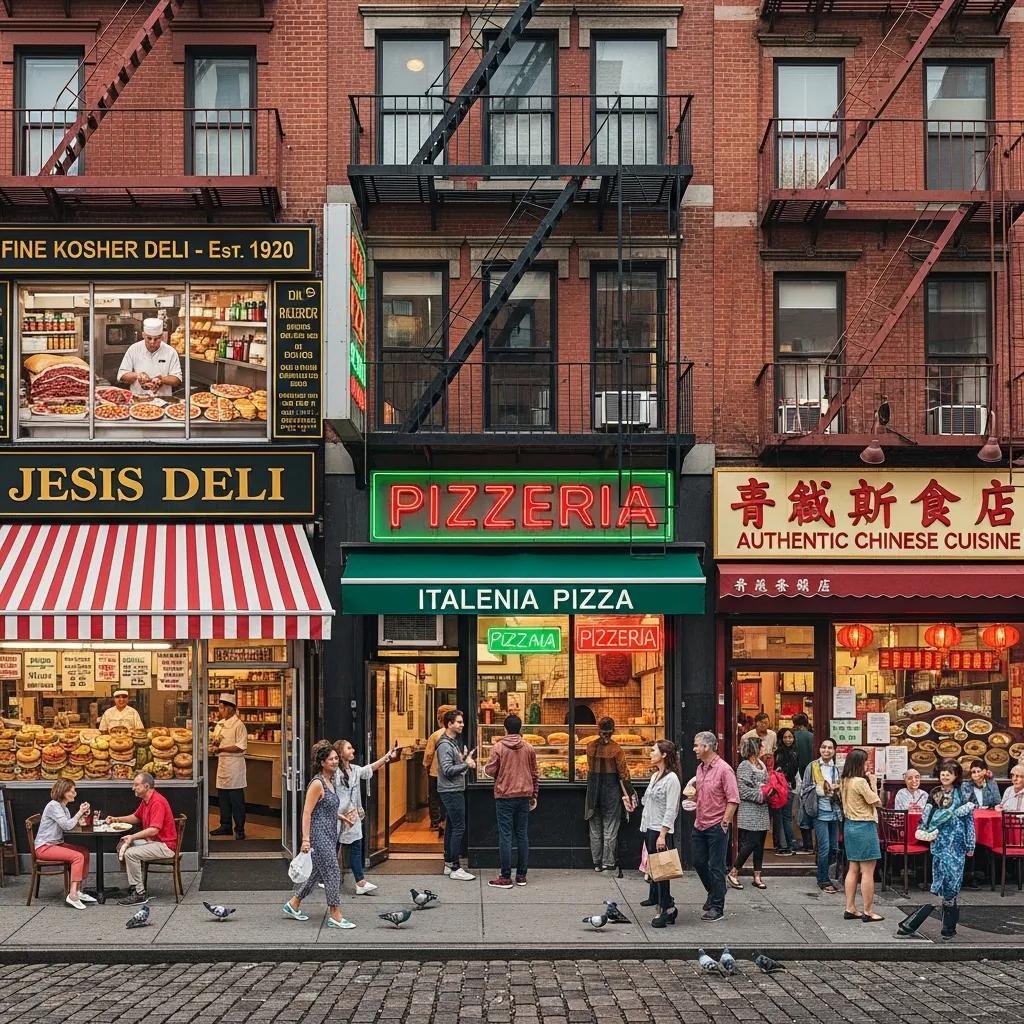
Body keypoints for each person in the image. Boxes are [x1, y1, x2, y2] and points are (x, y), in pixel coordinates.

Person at [284, 741, 354, 929]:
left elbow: (325, 808)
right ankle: (335, 914)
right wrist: (306, 839)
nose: (335, 761)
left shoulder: (330, 781)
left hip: (330, 833)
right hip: (318, 835)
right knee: (333, 872)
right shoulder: (317, 783)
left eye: (336, 758)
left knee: (315, 872)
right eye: (331, 759)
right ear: (322, 762)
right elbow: (307, 812)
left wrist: (341, 817)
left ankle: (293, 903)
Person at [334, 738, 400, 895]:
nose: (353, 750)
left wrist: (387, 756)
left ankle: (360, 882)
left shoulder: (355, 770)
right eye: (349, 748)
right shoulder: (334, 773)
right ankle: (327, 878)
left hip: (353, 816)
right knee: (333, 847)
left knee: (355, 846)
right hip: (338, 815)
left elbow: (370, 768)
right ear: (340, 753)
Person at [920, 760, 975, 939]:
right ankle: (947, 921)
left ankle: (949, 925)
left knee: (953, 880)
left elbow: (969, 821)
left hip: (957, 843)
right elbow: (927, 815)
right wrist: (924, 830)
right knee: (941, 878)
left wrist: (970, 844)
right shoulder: (935, 792)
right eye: (942, 772)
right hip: (939, 842)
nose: (945, 775)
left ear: (956, 775)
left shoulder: (963, 793)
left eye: (949, 772)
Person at [484, 714, 539, 888]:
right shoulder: (529, 747)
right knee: (522, 834)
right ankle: (521, 875)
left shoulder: (498, 747)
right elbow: (535, 773)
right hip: (524, 796)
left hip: (505, 796)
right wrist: (534, 794)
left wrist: (487, 768)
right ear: (520, 728)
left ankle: (505, 877)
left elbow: (490, 771)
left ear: (505, 729)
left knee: (505, 835)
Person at [108, 771, 178, 906]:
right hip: (154, 842)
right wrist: (116, 819)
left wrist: (132, 837)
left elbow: (154, 829)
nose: (133, 788)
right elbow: (136, 817)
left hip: (165, 846)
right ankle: (134, 885)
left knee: (130, 853)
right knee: (123, 844)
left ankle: (139, 893)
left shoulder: (157, 802)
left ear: (146, 786)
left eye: (136, 785)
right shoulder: (146, 800)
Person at [691, 730, 739, 922]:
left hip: (716, 824)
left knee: (716, 866)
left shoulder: (724, 769)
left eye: (697, 745)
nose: (694, 749)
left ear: (707, 747)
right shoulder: (700, 768)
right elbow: (700, 794)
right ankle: (715, 891)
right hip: (700, 823)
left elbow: (733, 799)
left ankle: (717, 907)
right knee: (698, 861)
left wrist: (724, 823)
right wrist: (693, 800)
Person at [34, 779, 95, 910]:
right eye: (72, 791)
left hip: (55, 844)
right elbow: (67, 826)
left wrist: (81, 816)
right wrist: (79, 813)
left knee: (84, 851)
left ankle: (77, 890)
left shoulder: (63, 808)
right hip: (44, 847)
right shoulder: (53, 806)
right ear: (63, 792)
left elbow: (69, 826)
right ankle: (72, 895)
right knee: (78, 857)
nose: (75, 794)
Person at [639, 740, 682, 927]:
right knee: (656, 871)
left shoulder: (672, 779)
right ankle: (665, 905)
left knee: (662, 872)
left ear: (664, 754)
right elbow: (648, 802)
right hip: (650, 828)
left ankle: (666, 909)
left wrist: (663, 834)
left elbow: (672, 809)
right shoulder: (655, 776)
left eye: (653, 750)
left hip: (660, 830)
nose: (650, 753)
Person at [584, 717, 636, 872]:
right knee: (610, 827)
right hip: (611, 790)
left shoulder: (590, 747)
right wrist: (631, 792)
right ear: (613, 730)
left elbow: (589, 767)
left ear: (598, 730)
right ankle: (608, 862)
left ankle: (596, 862)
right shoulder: (616, 749)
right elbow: (624, 774)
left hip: (593, 789)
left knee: (595, 828)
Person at [839, 749, 883, 922]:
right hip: (864, 826)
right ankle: (868, 911)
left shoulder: (844, 780)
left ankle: (850, 907)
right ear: (859, 763)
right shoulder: (860, 782)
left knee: (853, 868)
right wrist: (873, 783)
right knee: (867, 871)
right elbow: (876, 801)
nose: (868, 764)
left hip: (850, 825)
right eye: (866, 761)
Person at [436, 708, 476, 880]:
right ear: (449, 724)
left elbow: (452, 765)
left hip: (452, 789)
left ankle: (448, 863)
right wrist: (466, 764)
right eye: (459, 722)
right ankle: (455, 867)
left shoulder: (452, 742)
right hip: (451, 790)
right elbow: (447, 770)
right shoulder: (445, 745)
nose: (462, 725)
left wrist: (463, 758)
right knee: (459, 827)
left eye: (462, 722)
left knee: (452, 826)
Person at [729, 736, 770, 891]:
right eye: (761, 746)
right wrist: (761, 793)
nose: (763, 749)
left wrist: (767, 790)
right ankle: (734, 871)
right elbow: (742, 789)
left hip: (762, 809)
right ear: (755, 748)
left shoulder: (761, 764)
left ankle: (757, 875)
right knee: (751, 842)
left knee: (760, 844)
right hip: (750, 810)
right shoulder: (744, 766)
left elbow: (766, 782)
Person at [210, 692, 247, 839]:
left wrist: (220, 749)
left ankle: (240, 829)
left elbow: (240, 746)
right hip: (223, 765)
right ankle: (225, 826)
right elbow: (216, 740)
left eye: (221, 707)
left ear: (230, 708)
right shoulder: (219, 724)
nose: (220, 711)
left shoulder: (239, 725)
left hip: (235, 766)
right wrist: (213, 744)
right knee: (223, 799)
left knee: (236, 800)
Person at [117, 317, 182, 397]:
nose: (152, 342)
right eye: (149, 338)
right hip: (138, 398)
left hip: (163, 399)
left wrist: (161, 380)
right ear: (143, 335)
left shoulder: (170, 352)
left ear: (162, 336)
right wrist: (138, 376)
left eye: (157, 339)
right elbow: (122, 375)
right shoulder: (134, 349)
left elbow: (176, 379)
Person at [809, 737, 841, 894]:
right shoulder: (813, 766)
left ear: (834, 751)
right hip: (820, 811)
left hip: (835, 811)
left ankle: (826, 874)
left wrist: (837, 788)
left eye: (829, 748)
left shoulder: (837, 768)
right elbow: (805, 788)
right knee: (824, 847)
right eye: (823, 747)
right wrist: (822, 789)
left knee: (834, 847)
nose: (826, 750)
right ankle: (822, 879)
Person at [422, 704, 455, 834]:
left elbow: (428, 755)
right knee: (448, 797)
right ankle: (446, 821)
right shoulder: (456, 733)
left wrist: (426, 766)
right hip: (451, 773)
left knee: (434, 797)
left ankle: (436, 822)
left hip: (435, 772)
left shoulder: (436, 735)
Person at [773, 727, 800, 855]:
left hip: (785, 786)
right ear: (781, 738)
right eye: (785, 737)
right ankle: (788, 843)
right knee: (784, 816)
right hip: (783, 786)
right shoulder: (781, 753)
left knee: (783, 816)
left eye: (790, 737)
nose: (788, 740)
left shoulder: (792, 752)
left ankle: (785, 844)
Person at [792, 714, 815, 854]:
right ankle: (811, 842)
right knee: (811, 808)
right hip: (812, 776)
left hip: (797, 777)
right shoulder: (812, 737)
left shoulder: (792, 737)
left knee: (799, 811)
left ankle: (804, 842)